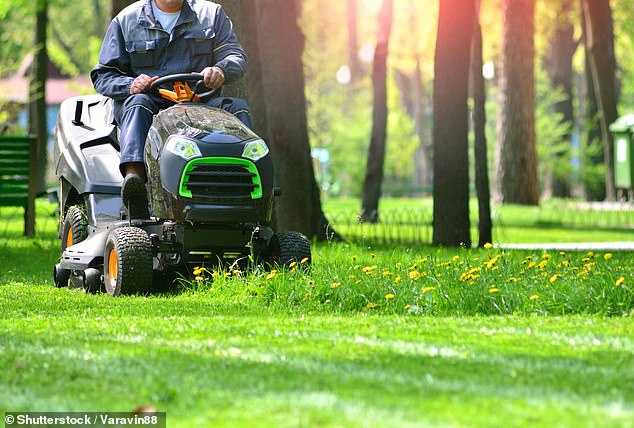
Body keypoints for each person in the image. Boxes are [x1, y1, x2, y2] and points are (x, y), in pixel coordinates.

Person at [91, 0, 250, 219]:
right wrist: (131, 85)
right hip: (152, 105)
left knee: (237, 109)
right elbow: (103, 75)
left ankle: (241, 185)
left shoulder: (211, 14)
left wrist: (221, 69)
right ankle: (134, 181)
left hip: (201, 103)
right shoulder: (126, 20)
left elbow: (236, 56)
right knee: (137, 104)